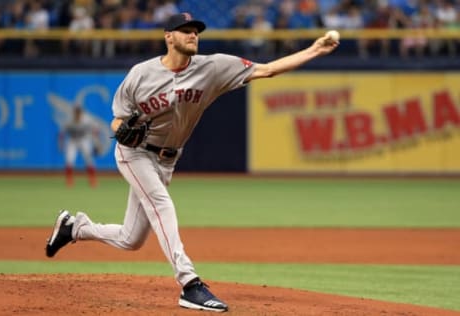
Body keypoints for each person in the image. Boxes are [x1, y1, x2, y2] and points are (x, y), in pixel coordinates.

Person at [45, 12, 338, 312]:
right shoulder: (140, 74)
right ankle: (190, 284)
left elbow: (267, 70)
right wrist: (120, 129)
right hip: (135, 154)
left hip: (168, 159)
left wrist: (315, 50)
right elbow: (117, 119)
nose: (192, 35)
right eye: (184, 30)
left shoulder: (213, 67)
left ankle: (74, 228)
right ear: (168, 37)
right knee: (162, 204)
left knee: (130, 239)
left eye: (195, 30)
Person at [58, 105, 99, 188]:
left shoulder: (86, 119)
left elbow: (95, 130)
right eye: (76, 112)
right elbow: (62, 133)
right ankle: (69, 181)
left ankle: (92, 180)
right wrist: (61, 144)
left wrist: (96, 143)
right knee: (69, 160)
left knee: (89, 160)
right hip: (72, 140)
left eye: (79, 112)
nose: (77, 114)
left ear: (81, 113)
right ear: (74, 113)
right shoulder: (69, 120)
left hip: (84, 139)